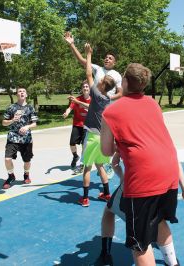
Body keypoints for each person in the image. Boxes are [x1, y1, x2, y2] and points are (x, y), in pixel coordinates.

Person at [101, 63, 184, 265]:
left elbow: (106, 151)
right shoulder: (153, 104)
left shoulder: (111, 112)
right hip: (169, 172)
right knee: (159, 220)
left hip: (145, 177)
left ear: (125, 82)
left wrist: (118, 147)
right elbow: (146, 136)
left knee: (140, 244)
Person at [64, 31, 121, 177]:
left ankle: (104, 163)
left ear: (114, 63)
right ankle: (85, 163)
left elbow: (121, 93)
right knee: (90, 135)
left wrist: (108, 97)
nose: (107, 59)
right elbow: (83, 61)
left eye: (110, 58)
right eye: (106, 57)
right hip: (96, 105)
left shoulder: (116, 75)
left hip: (107, 109)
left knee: (104, 137)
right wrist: (72, 45)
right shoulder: (98, 69)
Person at [76, 42, 115, 207]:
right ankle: (107, 194)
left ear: (102, 85)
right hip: (103, 138)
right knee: (100, 166)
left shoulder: (97, 94)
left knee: (86, 167)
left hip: (92, 136)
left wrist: (89, 53)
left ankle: (85, 198)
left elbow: (88, 74)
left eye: (101, 81)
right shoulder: (108, 100)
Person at [2, 87, 38, 189]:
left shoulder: (30, 108)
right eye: (19, 91)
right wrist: (12, 120)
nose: (21, 93)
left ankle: (26, 174)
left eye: (23, 91)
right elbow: (4, 123)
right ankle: (11, 176)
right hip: (12, 137)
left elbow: (34, 124)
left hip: (26, 139)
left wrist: (27, 127)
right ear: (17, 94)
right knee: (7, 159)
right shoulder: (11, 108)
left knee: (27, 161)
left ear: (26, 95)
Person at [63, 81, 91, 169]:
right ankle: (75, 156)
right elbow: (70, 107)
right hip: (77, 124)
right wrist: (66, 113)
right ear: (82, 89)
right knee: (72, 143)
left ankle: (82, 164)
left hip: (87, 126)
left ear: (90, 89)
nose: (85, 88)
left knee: (84, 145)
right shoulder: (77, 99)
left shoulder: (93, 100)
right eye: (84, 87)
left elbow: (90, 106)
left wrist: (78, 102)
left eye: (87, 86)